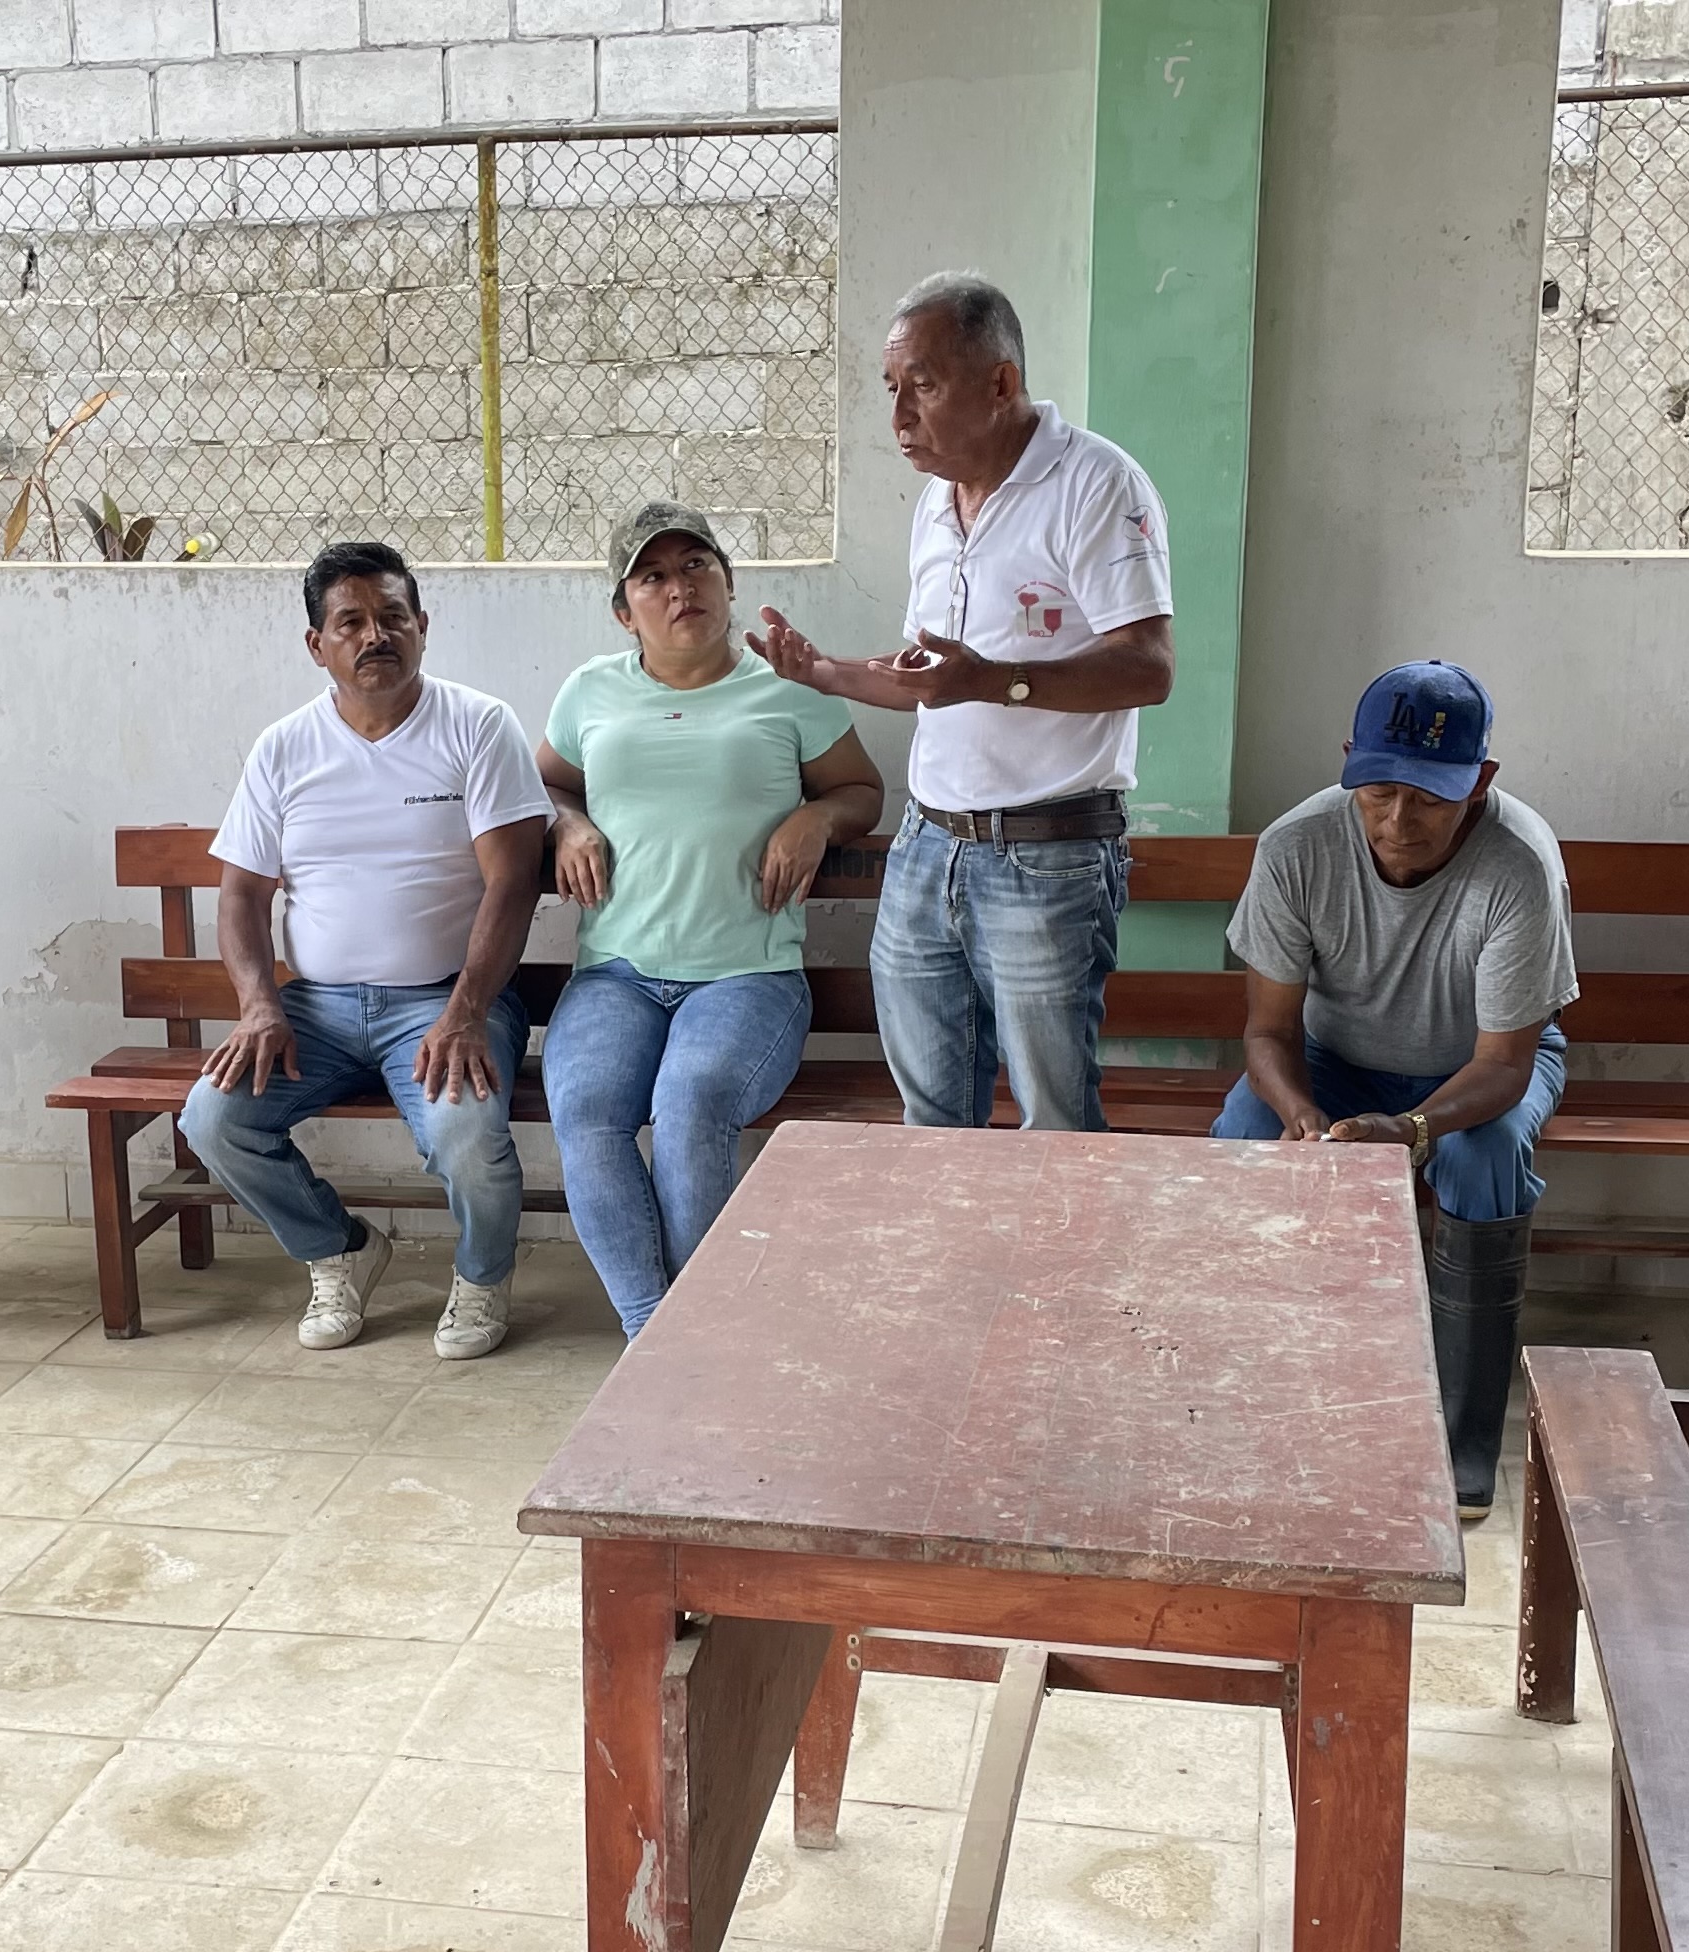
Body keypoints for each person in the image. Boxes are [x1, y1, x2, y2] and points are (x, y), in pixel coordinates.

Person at [750, 270, 1173, 1132]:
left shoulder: (1097, 484)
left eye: (925, 385)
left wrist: (992, 680)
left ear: (1000, 383)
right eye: (891, 389)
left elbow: (1147, 668)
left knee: (1054, 1126)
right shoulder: (936, 506)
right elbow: (930, 677)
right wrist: (825, 672)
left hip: (1048, 855)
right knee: (931, 1121)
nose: (899, 417)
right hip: (927, 848)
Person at [1211, 662, 1576, 1516]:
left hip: (1477, 1069)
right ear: (1349, 762)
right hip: (1333, 1058)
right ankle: (1244, 1399)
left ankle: (1460, 1445)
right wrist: (1302, 1114)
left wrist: (1412, 1128)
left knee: (1483, 1160)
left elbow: (1505, 1067)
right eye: (1378, 792)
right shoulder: (1297, 847)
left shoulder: (1520, 863)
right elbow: (1268, 1034)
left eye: (1430, 798)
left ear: (1479, 782)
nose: (1399, 822)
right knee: (1245, 1133)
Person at [178, 541, 551, 1358]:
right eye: (351, 622)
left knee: (466, 1136)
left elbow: (513, 882)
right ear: (318, 645)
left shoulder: (478, 725)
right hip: (316, 1009)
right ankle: (339, 1249)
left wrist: (465, 1013)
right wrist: (259, 1006)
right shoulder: (284, 747)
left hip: (447, 1000)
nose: (375, 636)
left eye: (392, 616)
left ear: (423, 626)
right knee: (213, 1120)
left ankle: (482, 1279)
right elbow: (241, 894)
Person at [540, 502, 880, 1334]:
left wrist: (817, 817)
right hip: (616, 974)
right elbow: (547, 783)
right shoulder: (590, 691)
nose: (679, 587)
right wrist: (567, 823)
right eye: (652, 576)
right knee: (586, 1112)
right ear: (625, 613)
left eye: (696, 566)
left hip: (746, 976)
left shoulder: (788, 689)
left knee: (690, 1106)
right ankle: (659, 1334)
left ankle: (677, 1345)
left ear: (727, 583)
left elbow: (862, 791)